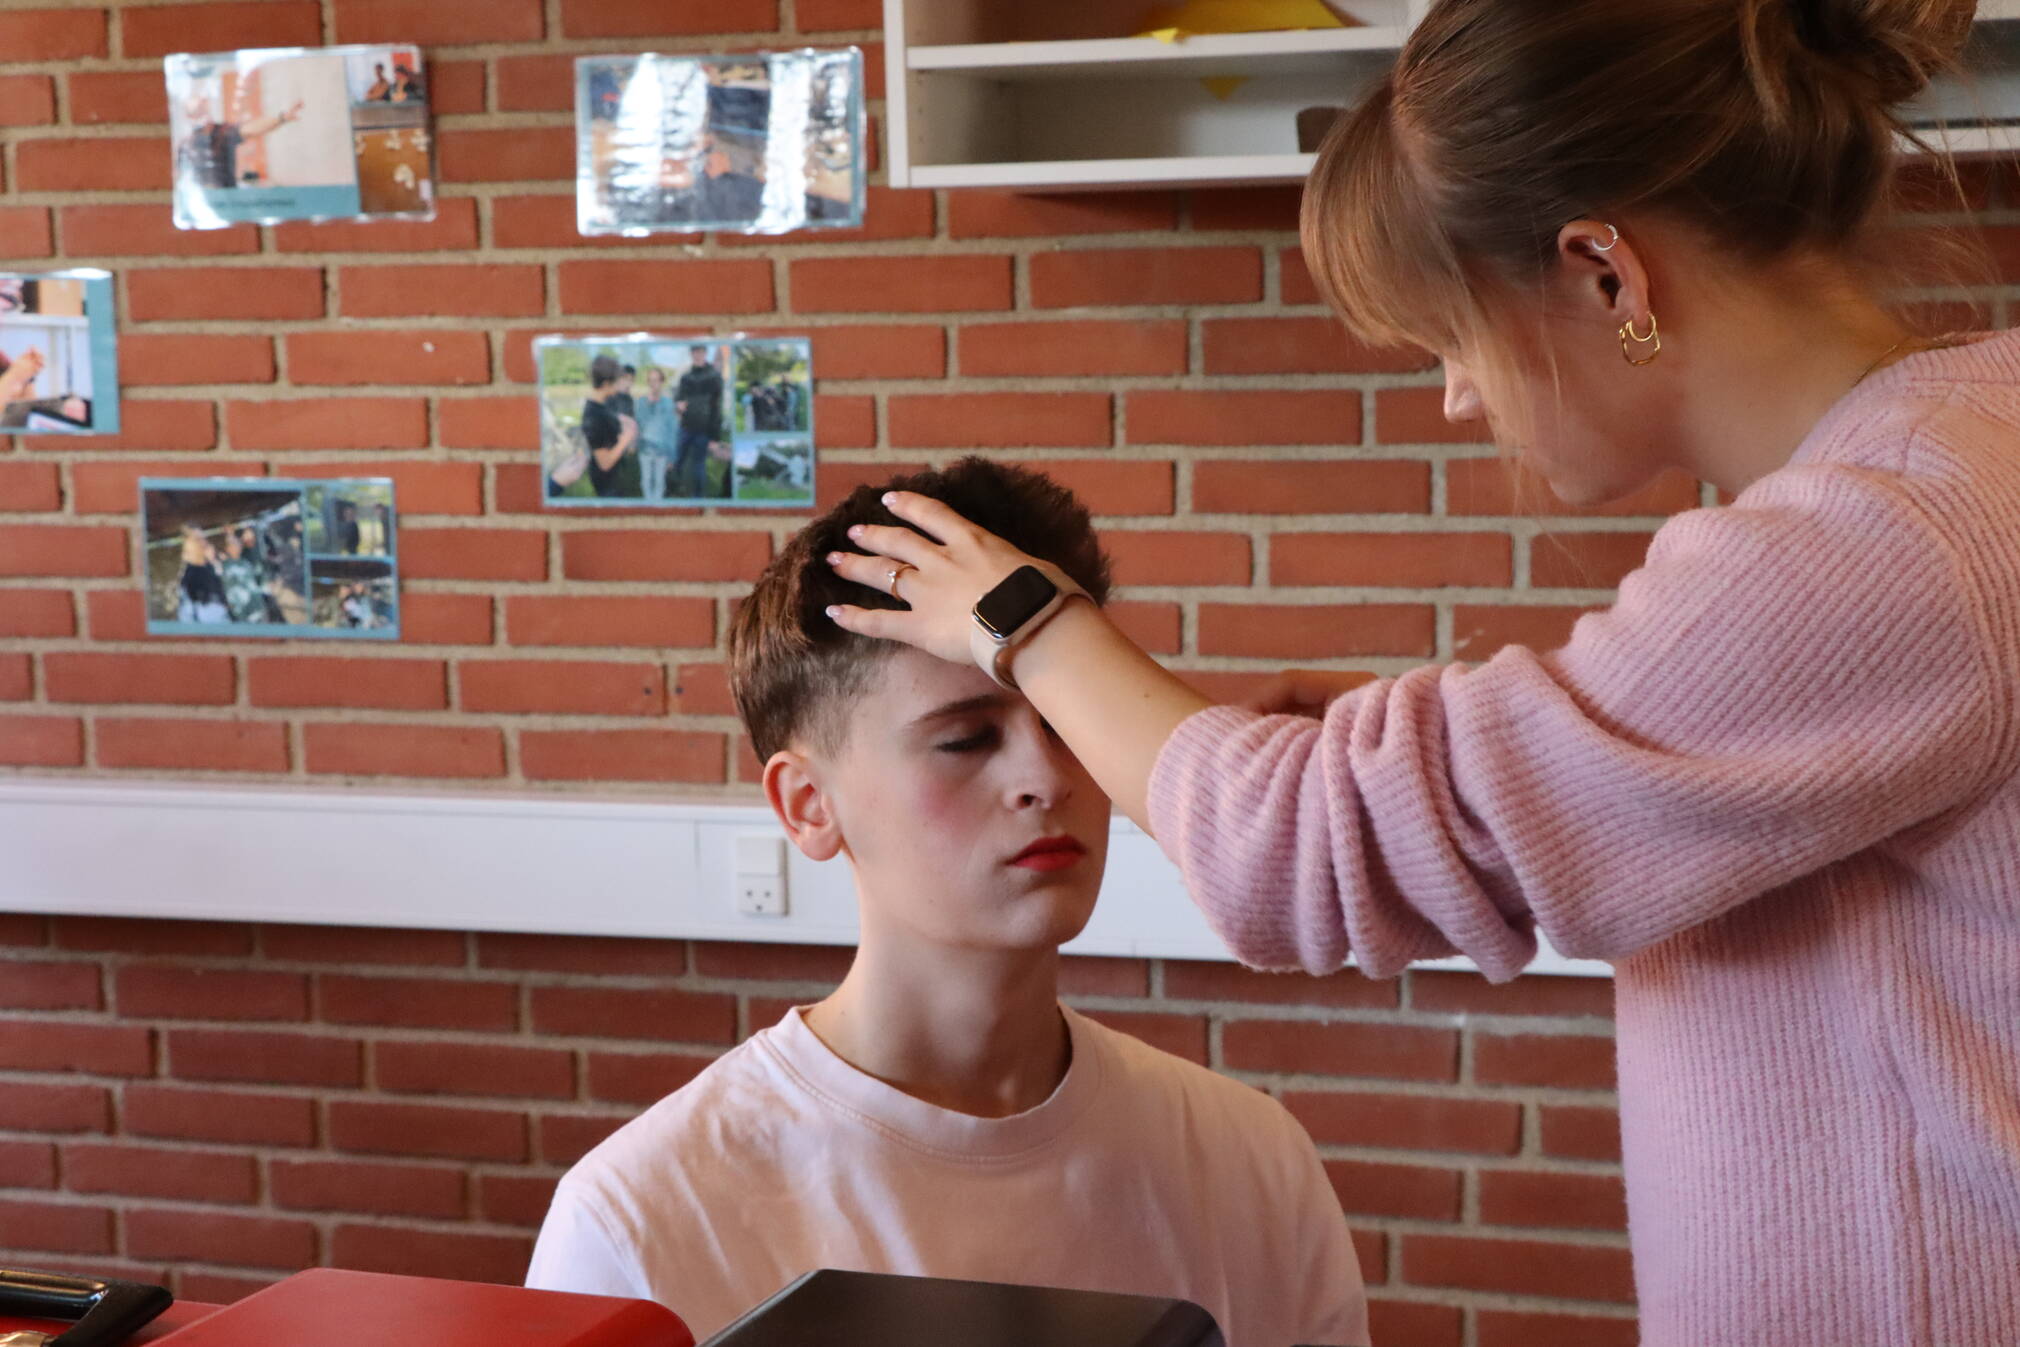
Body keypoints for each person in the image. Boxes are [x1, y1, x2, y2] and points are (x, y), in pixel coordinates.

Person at [822, 1, 2020, 1344]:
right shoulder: (1972, 439)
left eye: (1453, 334)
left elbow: (1302, 850)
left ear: (1605, 273)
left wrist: (1023, 622)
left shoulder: (1880, 537)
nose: (1458, 395)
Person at [525, 460, 1369, 1347]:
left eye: (1065, 720)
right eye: (966, 739)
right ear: (809, 805)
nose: (1045, 777)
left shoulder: (1252, 1159)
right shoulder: (639, 1223)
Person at [176, 90, 304, 190]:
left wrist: (281, 119)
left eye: (202, 109)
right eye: (196, 111)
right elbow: (179, 176)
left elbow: (251, 129)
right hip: (200, 202)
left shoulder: (223, 133)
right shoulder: (185, 144)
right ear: (189, 116)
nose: (201, 115)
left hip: (226, 199)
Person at [580, 353, 642, 498]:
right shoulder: (593, 416)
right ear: (607, 384)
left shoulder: (600, 406)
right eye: (617, 380)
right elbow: (605, 463)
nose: (620, 384)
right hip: (606, 484)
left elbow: (608, 421)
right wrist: (625, 439)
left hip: (615, 476)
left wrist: (621, 419)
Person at [672, 344, 724, 498]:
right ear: (691, 354)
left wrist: (715, 438)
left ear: (705, 353)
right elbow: (678, 397)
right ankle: (675, 490)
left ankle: (698, 498)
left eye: (700, 352)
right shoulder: (686, 377)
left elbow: (717, 408)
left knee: (698, 465)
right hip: (685, 427)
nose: (697, 355)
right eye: (695, 352)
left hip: (704, 429)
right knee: (677, 460)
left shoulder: (714, 376)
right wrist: (678, 403)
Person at [635, 365, 678, 496]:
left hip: (662, 451)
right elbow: (638, 426)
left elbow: (672, 430)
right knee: (645, 481)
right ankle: (648, 506)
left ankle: (658, 506)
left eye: (656, 380)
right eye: (650, 380)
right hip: (645, 450)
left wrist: (672, 456)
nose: (653, 384)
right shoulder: (641, 402)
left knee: (660, 482)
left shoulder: (668, 403)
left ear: (662, 382)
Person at [175, 526, 229, 624]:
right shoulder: (187, 578)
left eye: (203, 539)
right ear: (187, 545)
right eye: (197, 539)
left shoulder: (210, 570)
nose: (204, 543)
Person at [216, 528, 267, 624]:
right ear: (227, 548)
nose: (237, 545)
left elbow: (257, 581)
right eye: (232, 543)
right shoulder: (224, 567)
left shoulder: (246, 563)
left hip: (258, 608)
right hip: (242, 614)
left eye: (237, 542)